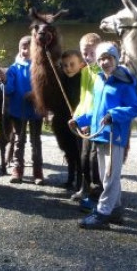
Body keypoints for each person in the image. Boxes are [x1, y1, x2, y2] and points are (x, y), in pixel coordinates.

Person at [69, 42, 137, 230]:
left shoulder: (125, 81)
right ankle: (115, 210)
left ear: (116, 60)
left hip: (114, 136)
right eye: (101, 58)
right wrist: (80, 120)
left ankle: (102, 214)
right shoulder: (100, 80)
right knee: (105, 176)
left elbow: (135, 108)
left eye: (108, 58)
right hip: (100, 136)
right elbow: (96, 110)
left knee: (110, 176)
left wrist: (114, 115)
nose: (104, 62)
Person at [5, 35, 44, 185]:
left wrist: (35, 94)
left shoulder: (39, 67)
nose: (26, 51)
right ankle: (17, 169)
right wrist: (4, 81)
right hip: (18, 110)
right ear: (19, 49)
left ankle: (38, 171)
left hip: (36, 110)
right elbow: (9, 90)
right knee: (19, 140)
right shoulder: (14, 69)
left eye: (30, 48)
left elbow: (43, 87)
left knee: (36, 141)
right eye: (23, 48)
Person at [72, 32, 104, 210]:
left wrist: (86, 121)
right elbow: (84, 97)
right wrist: (77, 116)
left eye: (92, 53)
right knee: (83, 158)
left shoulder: (102, 72)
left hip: (95, 123)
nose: (88, 57)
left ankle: (96, 194)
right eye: (85, 53)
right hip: (83, 120)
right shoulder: (85, 71)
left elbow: (97, 102)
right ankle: (85, 188)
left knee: (94, 160)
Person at [59, 48, 85, 190]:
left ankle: (81, 182)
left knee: (80, 151)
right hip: (66, 119)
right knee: (69, 150)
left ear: (81, 64)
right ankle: (70, 177)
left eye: (72, 64)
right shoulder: (63, 79)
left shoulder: (84, 78)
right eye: (65, 65)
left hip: (80, 120)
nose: (68, 68)